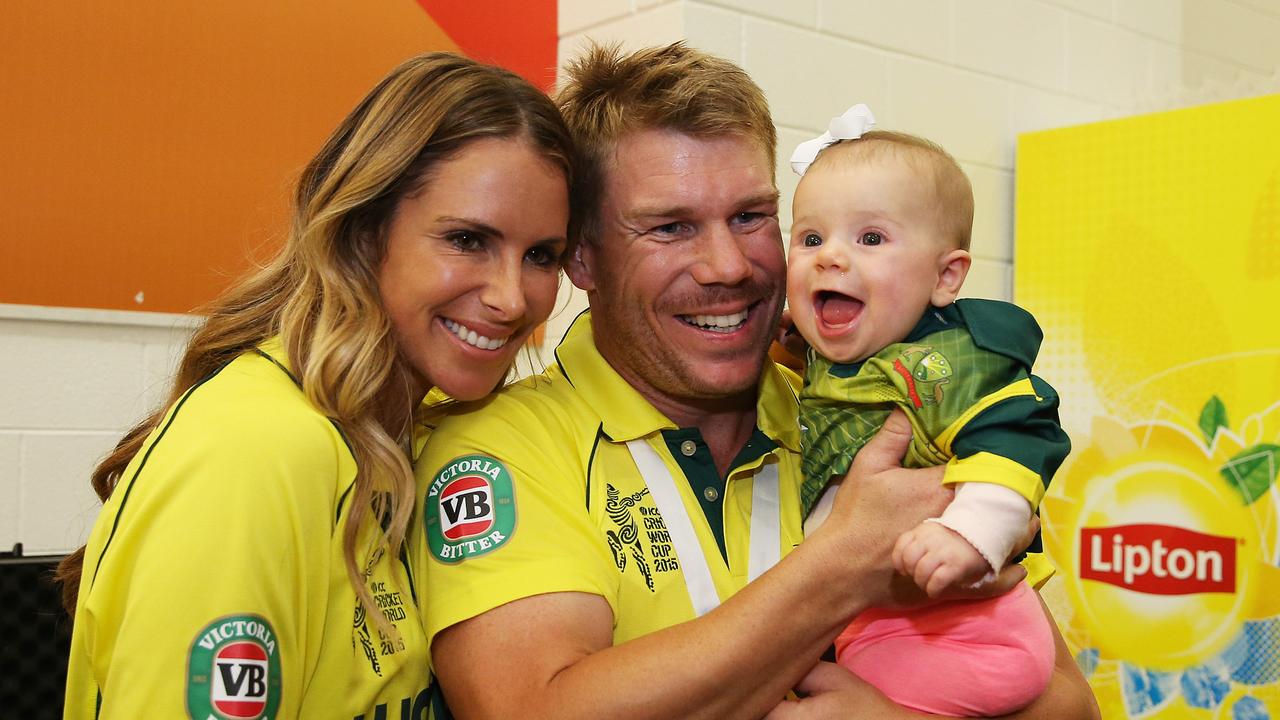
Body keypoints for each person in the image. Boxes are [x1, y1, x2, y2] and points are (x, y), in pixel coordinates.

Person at [415, 42, 1099, 719]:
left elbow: (1068, 704)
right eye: (671, 226)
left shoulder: (868, 412)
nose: (728, 266)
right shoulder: (502, 446)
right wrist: (841, 566)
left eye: (749, 217)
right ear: (583, 257)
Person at [57, 52, 575, 719]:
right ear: (364, 233)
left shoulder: (400, 439)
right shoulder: (256, 452)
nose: (511, 299)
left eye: (541, 256)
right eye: (468, 240)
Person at [786, 105, 1071, 716]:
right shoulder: (834, 356)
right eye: (811, 238)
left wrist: (969, 534)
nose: (830, 257)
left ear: (946, 278)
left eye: (871, 238)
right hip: (879, 624)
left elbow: (1021, 439)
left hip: (970, 631)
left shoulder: (949, 365)